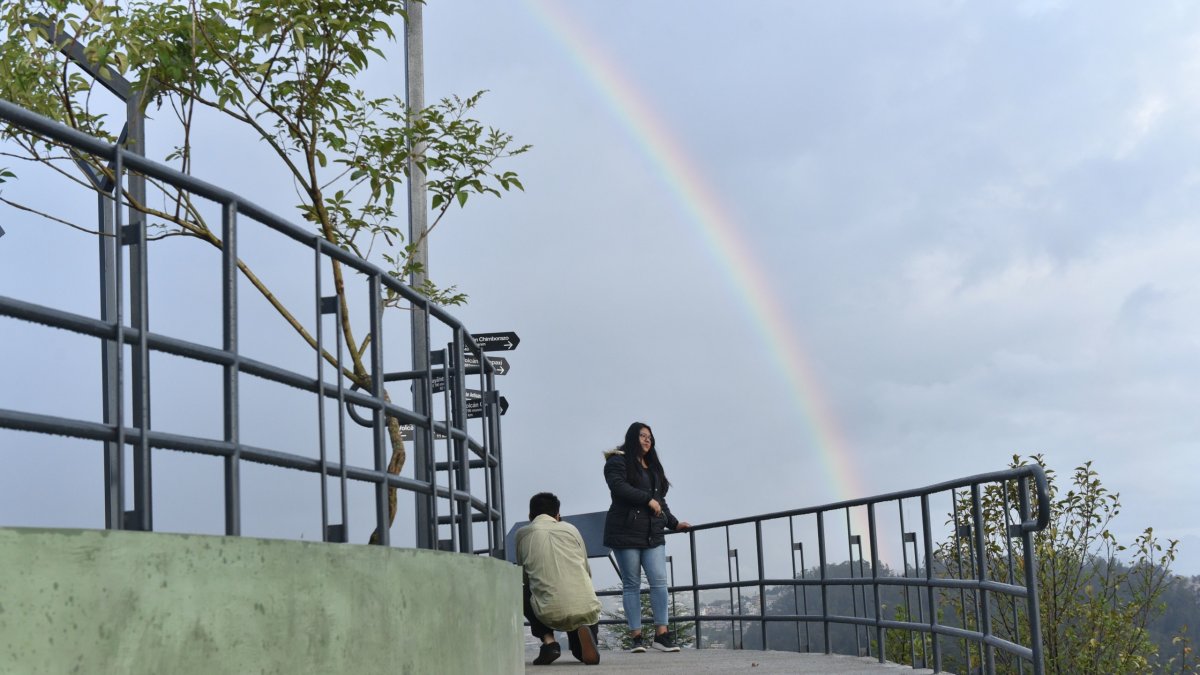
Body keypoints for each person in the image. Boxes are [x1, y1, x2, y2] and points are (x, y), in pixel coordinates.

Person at [603, 422, 691, 653]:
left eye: (650, 437)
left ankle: (661, 635)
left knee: (660, 581)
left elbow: (659, 502)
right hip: (625, 531)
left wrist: (674, 523)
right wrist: (646, 499)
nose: (647, 440)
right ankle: (636, 638)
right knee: (631, 584)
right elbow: (618, 487)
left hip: (653, 532)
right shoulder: (617, 461)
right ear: (632, 438)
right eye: (642, 436)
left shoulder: (653, 467)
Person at [515, 492, 602, 666]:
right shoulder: (572, 529)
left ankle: (549, 643)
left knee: (520, 588)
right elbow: (586, 569)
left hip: (548, 610)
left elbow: (524, 574)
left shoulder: (522, 534)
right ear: (558, 515)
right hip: (585, 607)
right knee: (580, 653)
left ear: (530, 516)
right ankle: (583, 635)